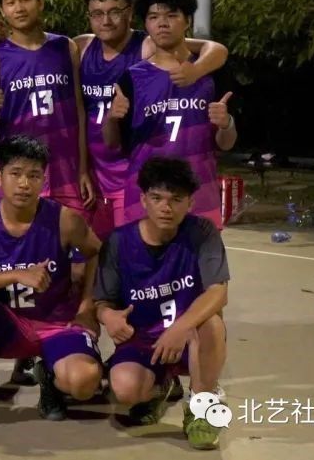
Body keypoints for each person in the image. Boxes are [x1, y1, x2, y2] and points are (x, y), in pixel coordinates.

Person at [0, 0, 95, 384]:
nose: (19, 8)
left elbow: (79, 108)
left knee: (74, 269)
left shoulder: (66, 47)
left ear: (40, 2)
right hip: (21, 179)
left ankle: (68, 342)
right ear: (2, 11)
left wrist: (83, 167)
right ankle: (25, 348)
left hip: (64, 170)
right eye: (10, 2)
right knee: (21, 262)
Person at [0, 136, 103, 431]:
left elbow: (98, 253)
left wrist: (87, 304)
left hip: (58, 324)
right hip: (9, 322)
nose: (24, 183)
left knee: (84, 383)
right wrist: (17, 274)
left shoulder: (64, 218)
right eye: (15, 173)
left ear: (44, 180)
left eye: (34, 175)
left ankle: (50, 376)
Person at [72, 0, 228, 241]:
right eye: (97, 13)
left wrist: (197, 70)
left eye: (114, 12)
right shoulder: (81, 46)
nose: (106, 20)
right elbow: (78, 112)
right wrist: (82, 169)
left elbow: (215, 49)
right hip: (96, 174)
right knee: (95, 254)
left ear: (130, 13)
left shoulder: (147, 45)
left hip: (134, 174)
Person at [94, 156, 229, 450]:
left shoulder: (202, 232)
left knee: (212, 324)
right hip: (143, 339)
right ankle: (162, 387)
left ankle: (203, 404)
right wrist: (108, 317)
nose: (166, 207)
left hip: (189, 336)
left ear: (190, 203)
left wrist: (181, 327)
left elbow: (218, 292)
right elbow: (103, 301)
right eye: (157, 198)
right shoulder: (119, 241)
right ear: (144, 199)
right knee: (125, 389)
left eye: (176, 199)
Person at [103, 0, 238, 230]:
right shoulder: (131, 78)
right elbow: (112, 143)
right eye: (154, 17)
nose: (162, 23)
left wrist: (226, 124)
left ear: (187, 21)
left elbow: (226, 143)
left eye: (172, 15)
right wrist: (112, 118)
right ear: (146, 25)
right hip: (145, 200)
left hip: (198, 196)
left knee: (198, 256)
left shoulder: (211, 73)